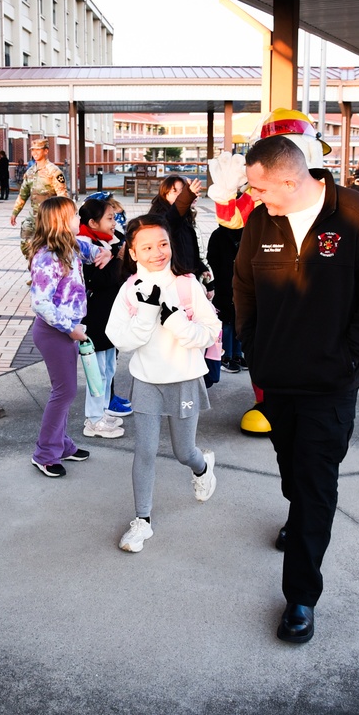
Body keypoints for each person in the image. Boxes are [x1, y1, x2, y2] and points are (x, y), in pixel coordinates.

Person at [233, 135, 359, 644]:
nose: (253, 195)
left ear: (289, 180)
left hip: (330, 383)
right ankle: (298, 509)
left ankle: (301, 596)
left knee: (315, 482)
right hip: (277, 378)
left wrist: (350, 354)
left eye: (259, 187)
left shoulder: (358, 217)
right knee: (292, 466)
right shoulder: (261, 221)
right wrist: (254, 347)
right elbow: (243, 287)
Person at [106, 215, 221, 553]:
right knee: (144, 451)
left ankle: (202, 468)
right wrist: (146, 314)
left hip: (184, 380)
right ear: (132, 252)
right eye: (147, 247)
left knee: (184, 451)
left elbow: (211, 331)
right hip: (146, 382)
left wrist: (177, 323)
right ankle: (142, 521)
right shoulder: (129, 291)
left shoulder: (187, 286)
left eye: (162, 244)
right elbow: (120, 339)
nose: (157, 252)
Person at [27, 196, 111, 477]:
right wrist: (70, 328)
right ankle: (45, 453)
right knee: (64, 392)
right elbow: (40, 303)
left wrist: (105, 252)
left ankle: (61, 445)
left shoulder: (71, 246)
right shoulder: (46, 257)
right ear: (61, 221)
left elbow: (94, 250)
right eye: (74, 215)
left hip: (67, 331)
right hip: (55, 332)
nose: (79, 219)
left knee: (65, 391)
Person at [77, 197, 126, 439]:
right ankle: (93, 420)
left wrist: (116, 253)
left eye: (114, 218)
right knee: (96, 373)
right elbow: (101, 280)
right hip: (95, 319)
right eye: (109, 218)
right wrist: (119, 258)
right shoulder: (86, 246)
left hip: (110, 318)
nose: (114, 223)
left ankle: (103, 411)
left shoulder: (109, 242)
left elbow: (125, 246)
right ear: (93, 223)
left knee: (109, 368)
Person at [10, 138, 69, 257]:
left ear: (46, 151)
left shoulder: (54, 172)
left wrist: (63, 218)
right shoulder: (30, 172)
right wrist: (15, 212)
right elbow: (23, 194)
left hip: (50, 217)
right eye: (33, 150)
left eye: (38, 149)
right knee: (26, 242)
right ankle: (32, 264)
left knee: (50, 248)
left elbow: (63, 196)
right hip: (34, 216)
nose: (35, 153)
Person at [148, 175, 211, 286]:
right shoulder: (160, 217)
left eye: (182, 191)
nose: (179, 194)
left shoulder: (185, 216)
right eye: (175, 191)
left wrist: (201, 267)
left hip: (186, 275)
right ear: (164, 194)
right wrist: (188, 195)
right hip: (172, 279)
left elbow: (187, 248)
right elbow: (173, 218)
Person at [206, 223, 245, 374]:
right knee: (226, 319)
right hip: (224, 283)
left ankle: (237, 354)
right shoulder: (218, 235)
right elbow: (212, 259)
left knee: (240, 318)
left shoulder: (245, 232)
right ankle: (225, 356)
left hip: (242, 282)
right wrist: (217, 280)